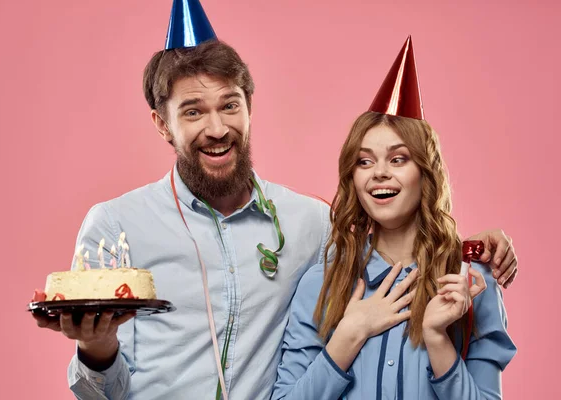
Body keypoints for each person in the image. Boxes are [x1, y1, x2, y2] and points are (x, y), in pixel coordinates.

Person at [33, 2, 519, 399]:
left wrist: (473, 247)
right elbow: (101, 395)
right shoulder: (116, 227)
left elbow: (392, 236)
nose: (217, 127)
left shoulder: (310, 224)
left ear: (250, 107)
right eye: (193, 111)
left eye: (229, 105)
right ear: (163, 124)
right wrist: (97, 350)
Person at [272, 37, 517, 400]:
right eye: (365, 161)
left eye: (398, 159)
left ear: (426, 172)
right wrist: (348, 335)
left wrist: (437, 340)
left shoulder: (471, 283)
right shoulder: (322, 281)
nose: (379, 173)